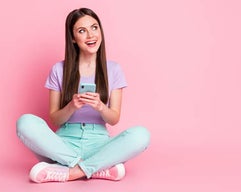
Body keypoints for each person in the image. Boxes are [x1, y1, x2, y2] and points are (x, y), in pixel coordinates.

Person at [16, 7, 150, 183]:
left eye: (94, 27)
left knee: (141, 135)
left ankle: (72, 171)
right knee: (25, 122)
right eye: (82, 31)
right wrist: (72, 106)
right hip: (63, 146)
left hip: (100, 145)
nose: (91, 35)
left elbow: (114, 118)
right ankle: (94, 168)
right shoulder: (58, 70)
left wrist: (100, 106)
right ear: (73, 38)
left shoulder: (114, 69)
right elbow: (55, 119)